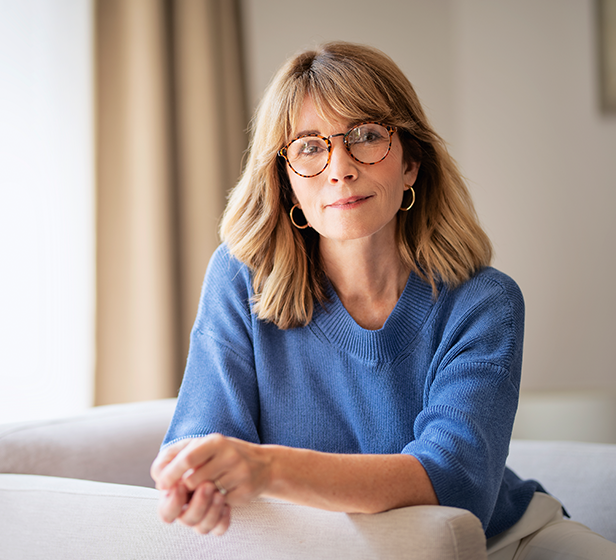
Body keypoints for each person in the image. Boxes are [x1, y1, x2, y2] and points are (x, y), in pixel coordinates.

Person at [149, 42, 616, 558]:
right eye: (308, 146)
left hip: (502, 540)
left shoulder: (486, 302)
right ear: (285, 183)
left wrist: (266, 468)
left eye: (367, 136)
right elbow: (200, 441)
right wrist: (196, 480)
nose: (340, 168)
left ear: (411, 162)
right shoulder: (240, 279)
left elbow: (453, 482)